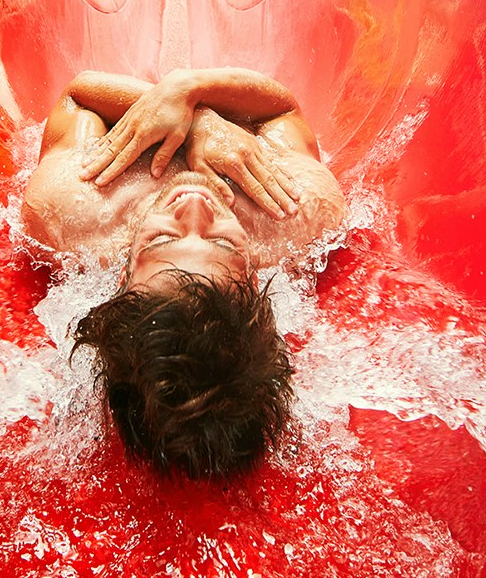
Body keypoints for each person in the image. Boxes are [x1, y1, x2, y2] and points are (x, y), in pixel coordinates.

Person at [21, 69, 346, 478]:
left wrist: (178, 105)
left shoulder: (72, 212)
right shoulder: (296, 216)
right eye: (223, 242)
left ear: (123, 274)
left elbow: (78, 96)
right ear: (255, 277)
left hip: (127, 82)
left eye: (160, 240)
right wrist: (200, 110)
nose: (194, 205)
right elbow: (284, 110)